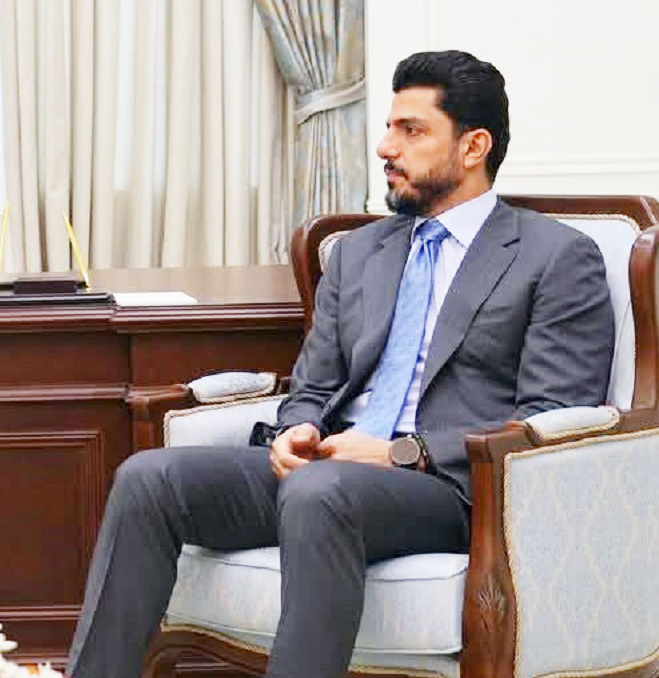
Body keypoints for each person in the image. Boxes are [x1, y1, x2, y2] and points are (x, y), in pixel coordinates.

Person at [67, 50, 615, 678]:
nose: (386, 147)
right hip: (330, 470)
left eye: (411, 130)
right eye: (389, 127)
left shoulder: (555, 257)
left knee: (318, 491)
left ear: (473, 147)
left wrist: (402, 454)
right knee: (148, 478)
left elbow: (551, 418)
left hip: (455, 488)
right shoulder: (359, 253)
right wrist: (297, 428)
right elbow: (313, 384)